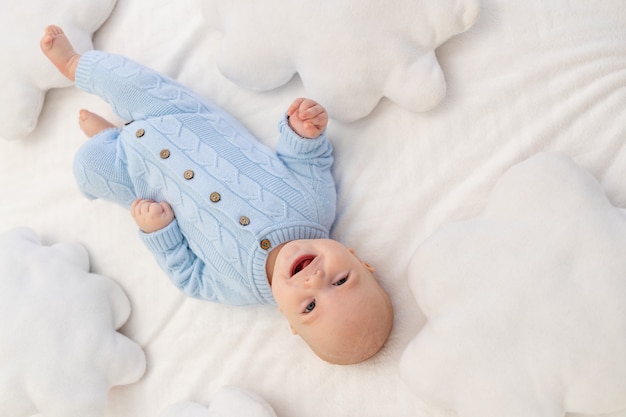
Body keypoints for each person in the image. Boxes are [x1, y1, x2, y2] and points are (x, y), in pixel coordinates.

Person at [41, 25, 393, 365]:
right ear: (356, 258)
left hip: (141, 179)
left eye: (310, 307)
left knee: (88, 168)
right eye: (341, 279)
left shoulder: (235, 288)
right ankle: (74, 63)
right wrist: (304, 132)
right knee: (127, 80)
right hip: (182, 118)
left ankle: (109, 138)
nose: (314, 281)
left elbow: (188, 276)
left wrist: (158, 232)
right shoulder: (315, 205)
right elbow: (306, 160)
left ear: (290, 322)